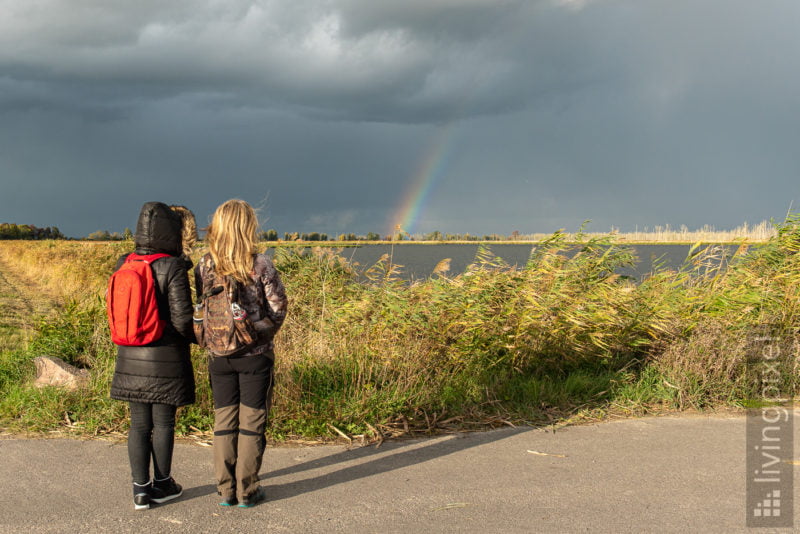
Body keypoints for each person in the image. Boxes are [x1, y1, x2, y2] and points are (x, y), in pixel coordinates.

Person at [195, 199, 288, 508]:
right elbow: (277, 310)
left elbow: (203, 306)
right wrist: (260, 332)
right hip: (255, 355)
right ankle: (246, 490)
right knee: (252, 421)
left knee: (224, 419)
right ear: (249, 226)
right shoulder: (260, 264)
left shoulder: (205, 264)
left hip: (218, 355)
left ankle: (225, 490)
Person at [109, 201, 196, 510]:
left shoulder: (124, 261)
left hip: (129, 354)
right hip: (165, 356)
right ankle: (163, 484)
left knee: (138, 425)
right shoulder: (171, 266)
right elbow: (183, 319)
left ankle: (139, 491)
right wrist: (198, 339)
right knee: (163, 424)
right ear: (170, 231)